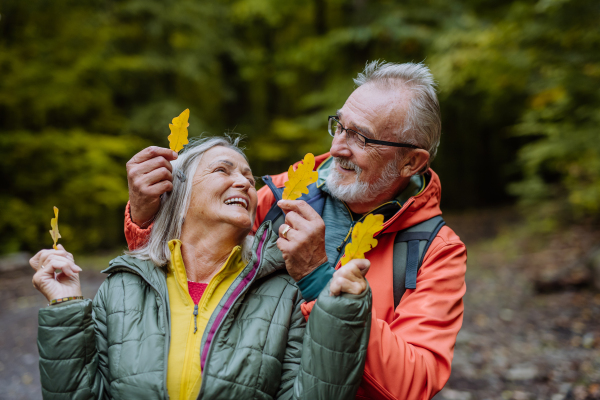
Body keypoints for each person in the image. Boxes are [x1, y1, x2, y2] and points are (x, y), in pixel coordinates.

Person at [125, 61, 467, 399]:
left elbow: (414, 380)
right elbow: (184, 272)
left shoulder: (437, 250)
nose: (336, 148)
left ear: (411, 162)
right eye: (339, 126)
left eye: (361, 138)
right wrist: (144, 219)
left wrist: (320, 282)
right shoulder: (280, 196)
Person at [31, 136, 373, 400]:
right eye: (223, 170)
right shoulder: (122, 287)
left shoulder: (286, 294)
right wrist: (65, 309)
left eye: (247, 177)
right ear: (179, 194)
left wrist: (341, 313)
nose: (243, 182)